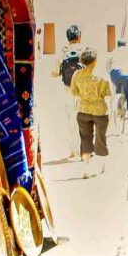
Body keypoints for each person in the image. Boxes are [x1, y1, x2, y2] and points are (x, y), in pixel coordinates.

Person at [69, 48, 111, 171]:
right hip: (100, 111)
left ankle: (85, 168)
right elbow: (107, 93)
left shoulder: (77, 74)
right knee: (101, 138)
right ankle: (102, 166)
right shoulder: (101, 76)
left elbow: (73, 91)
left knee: (85, 139)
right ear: (95, 61)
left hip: (83, 110)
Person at [52, 24, 83, 159]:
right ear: (79, 37)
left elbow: (55, 73)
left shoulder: (63, 53)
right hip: (82, 90)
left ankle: (73, 150)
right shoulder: (83, 51)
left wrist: (58, 74)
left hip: (68, 90)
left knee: (71, 120)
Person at [107, 39, 128, 130]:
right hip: (127, 76)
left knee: (117, 88)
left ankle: (117, 107)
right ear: (125, 45)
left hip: (115, 75)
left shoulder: (113, 53)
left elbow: (108, 67)